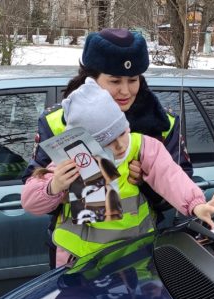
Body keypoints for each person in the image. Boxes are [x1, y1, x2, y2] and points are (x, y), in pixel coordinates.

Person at [24, 28, 193, 268]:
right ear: (91, 79)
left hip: (138, 252)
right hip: (75, 254)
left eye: (133, 80)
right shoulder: (57, 121)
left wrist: (146, 182)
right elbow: (34, 183)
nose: (125, 91)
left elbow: (181, 182)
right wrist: (59, 185)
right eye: (114, 81)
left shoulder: (163, 123)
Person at [21, 78, 214, 267]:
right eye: (107, 142)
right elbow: (30, 202)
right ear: (87, 144)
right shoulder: (76, 158)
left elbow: (170, 176)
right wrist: (54, 186)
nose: (119, 146)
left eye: (122, 132)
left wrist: (196, 205)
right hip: (81, 263)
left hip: (135, 259)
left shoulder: (142, 146)